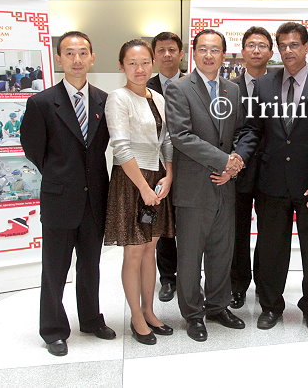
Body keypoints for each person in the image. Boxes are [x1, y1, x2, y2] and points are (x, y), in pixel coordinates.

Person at [235, 22, 308, 333]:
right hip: (271, 182)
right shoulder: (265, 84)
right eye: (283, 45)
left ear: (307, 48)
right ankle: (270, 306)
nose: (288, 50)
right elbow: (253, 130)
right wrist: (239, 157)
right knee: (270, 249)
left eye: (294, 44)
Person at [20, 31, 116, 357]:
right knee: (55, 268)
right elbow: (34, 149)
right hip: (60, 196)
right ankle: (53, 329)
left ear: (92, 58)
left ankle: (90, 319)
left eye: (83, 53)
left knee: (91, 265)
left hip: (95, 198)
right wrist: (62, 176)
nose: (77, 59)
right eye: (69, 53)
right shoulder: (42, 103)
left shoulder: (105, 100)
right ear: (59, 59)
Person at [165, 29, 245, 342]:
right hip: (193, 186)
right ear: (193, 53)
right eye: (203, 49)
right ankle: (193, 314)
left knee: (221, 252)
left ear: (224, 55)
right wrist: (223, 160)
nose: (209, 55)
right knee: (189, 256)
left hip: (225, 186)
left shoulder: (233, 89)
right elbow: (181, 136)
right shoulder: (179, 88)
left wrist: (236, 161)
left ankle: (218, 305)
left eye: (215, 50)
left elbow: (237, 133)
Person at [104, 39, 175, 345]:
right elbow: (120, 147)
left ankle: (150, 310)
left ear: (153, 63)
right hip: (132, 181)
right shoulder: (117, 98)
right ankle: (135, 316)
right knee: (134, 251)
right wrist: (145, 188)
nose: (139, 68)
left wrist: (169, 175)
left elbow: (168, 141)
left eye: (145, 62)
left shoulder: (158, 97)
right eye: (132, 63)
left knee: (150, 249)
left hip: (158, 179)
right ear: (121, 66)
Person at [229, 26, 274, 309]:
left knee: (270, 232)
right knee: (238, 231)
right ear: (242, 51)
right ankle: (237, 284)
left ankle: (265, 284)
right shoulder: (228, 87)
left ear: (271, 52)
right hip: (236, 169)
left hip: (272, 169)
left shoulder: (282, 85)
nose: (256, 50)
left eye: (262, 45)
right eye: (251, 45)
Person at [146, 31, 186, 303]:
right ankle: (168, 278)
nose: (168, 55)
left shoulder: (195, 83)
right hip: (158, 165)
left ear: (181, 54)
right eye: (162, 50)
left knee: (190, 224)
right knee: (163, 224)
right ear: (154, 55)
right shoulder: (144, 86)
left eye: (172, 49)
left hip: (191, 164)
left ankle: (191, 276)